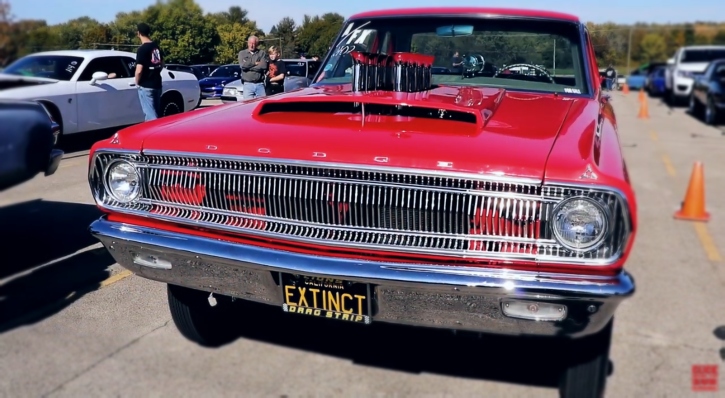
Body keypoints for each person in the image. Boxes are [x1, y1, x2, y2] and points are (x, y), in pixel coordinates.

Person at [134, 22, 164, 121]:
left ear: (139, 33)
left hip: (146, 86)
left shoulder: (142, 49)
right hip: (157, 84)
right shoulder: (156, 46)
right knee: (156, 112)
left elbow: (139, 70)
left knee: (151, 115)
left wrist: (137, 82)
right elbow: (161, 64)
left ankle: (154, 135)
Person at [238, 35, 268, 100]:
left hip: (259, 84)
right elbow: (243, 66)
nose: (252, 45)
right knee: (248, 105)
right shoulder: (242, 53)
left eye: (253, 44)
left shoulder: (261, 53)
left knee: (263, 103)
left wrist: (248, 67)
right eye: (250, 43)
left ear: (256, 44)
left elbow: (263, 66)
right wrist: (255, 63)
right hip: (248, 84)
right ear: (247, 43)